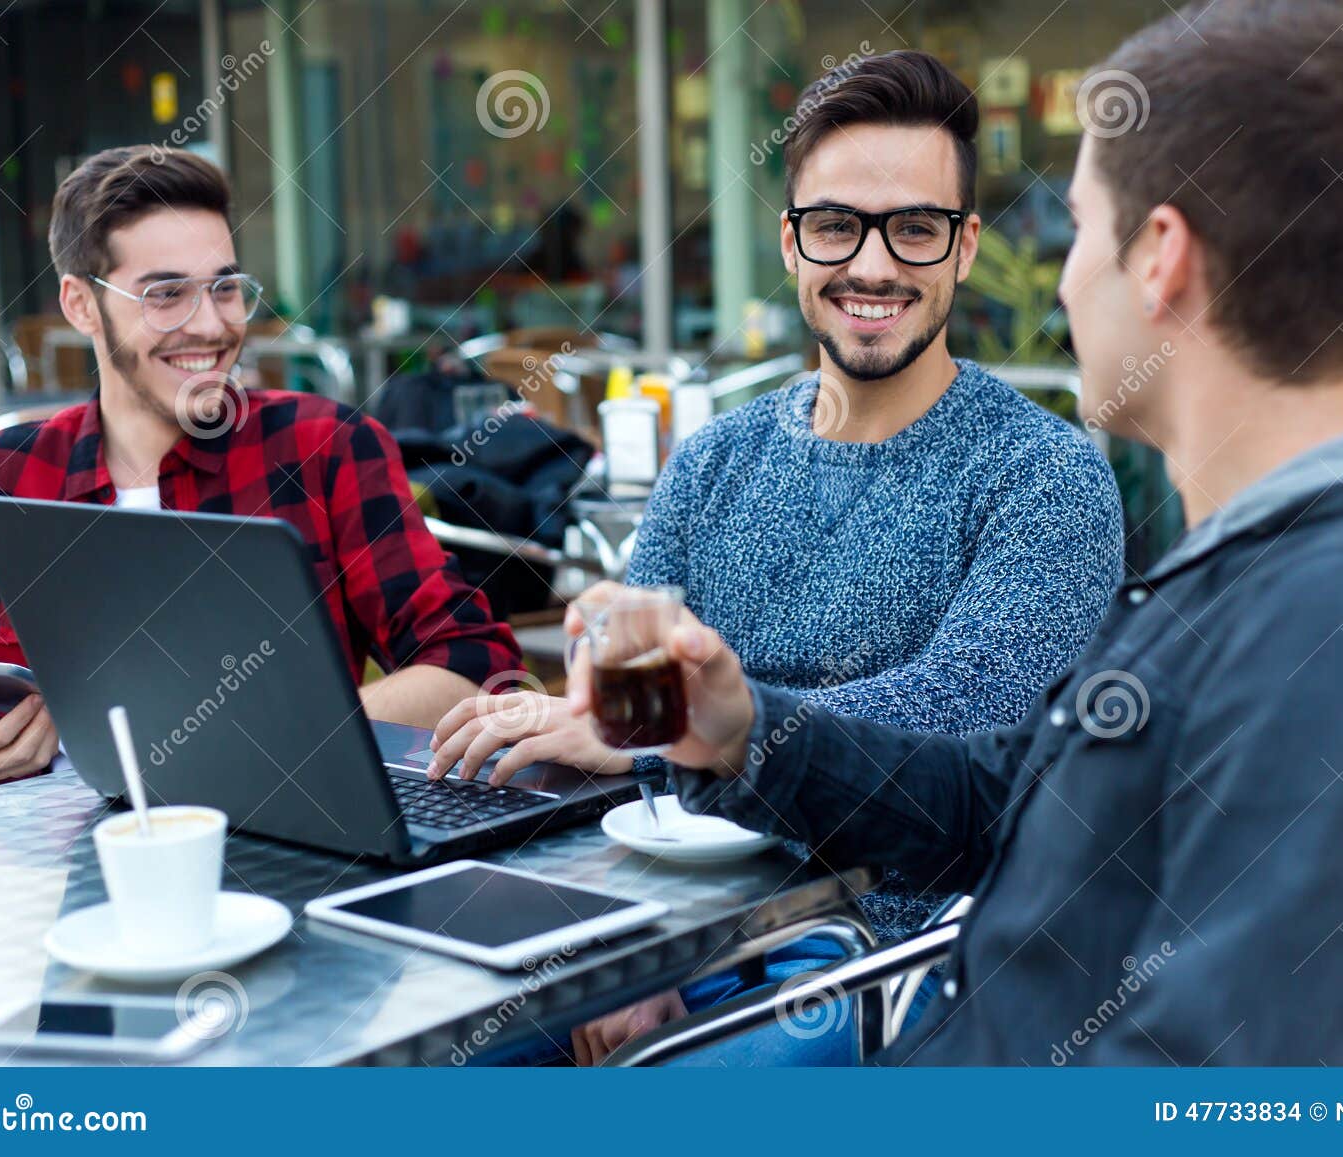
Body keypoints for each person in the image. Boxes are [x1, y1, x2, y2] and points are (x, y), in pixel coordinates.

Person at [559, 0, 1343, 1065]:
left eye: (1078, 226)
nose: (1067, 275)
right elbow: (1011, 796)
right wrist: (743, 728)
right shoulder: (1262, 572)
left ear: (1158, 257)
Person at [431, 50, 1125, 1063]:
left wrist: (656, 736)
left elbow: (967, 729)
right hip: (666, 918)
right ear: (793, 245)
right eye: (837, 225)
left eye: (915, 229)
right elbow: (628, 678)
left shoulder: (1044, 475)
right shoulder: (715, 457)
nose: (874, 265)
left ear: (965, 247)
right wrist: (620, 942)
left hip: (888, 956)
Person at [0, 146, 522, 797]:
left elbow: (471, 665)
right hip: (25, 882)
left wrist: (282, 741)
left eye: (225, 288)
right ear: (81, 304)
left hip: (270, 860)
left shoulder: (323, 449)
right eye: (167, 293)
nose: (210, 324)